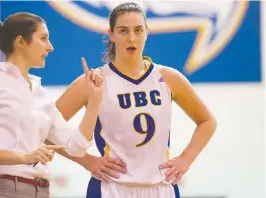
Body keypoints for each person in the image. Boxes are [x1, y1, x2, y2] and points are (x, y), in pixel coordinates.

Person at [51, 2, 217, 198]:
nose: (132, 38)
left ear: (146, 32)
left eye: (138, 30)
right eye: (123, 31)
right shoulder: (93, 81)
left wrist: (186, 159)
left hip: (161, 187)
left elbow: (207, 122)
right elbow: (46, 129)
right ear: (111, 34)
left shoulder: (168, 78)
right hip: (110, 188)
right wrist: (87, 160)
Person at [0, 12, 104, 198]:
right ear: (20, 41)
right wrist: (23, 157)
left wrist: (94, 101)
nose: (51, 47)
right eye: (43, 38)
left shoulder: (39, 93)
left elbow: (76, 147)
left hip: (42, 191)